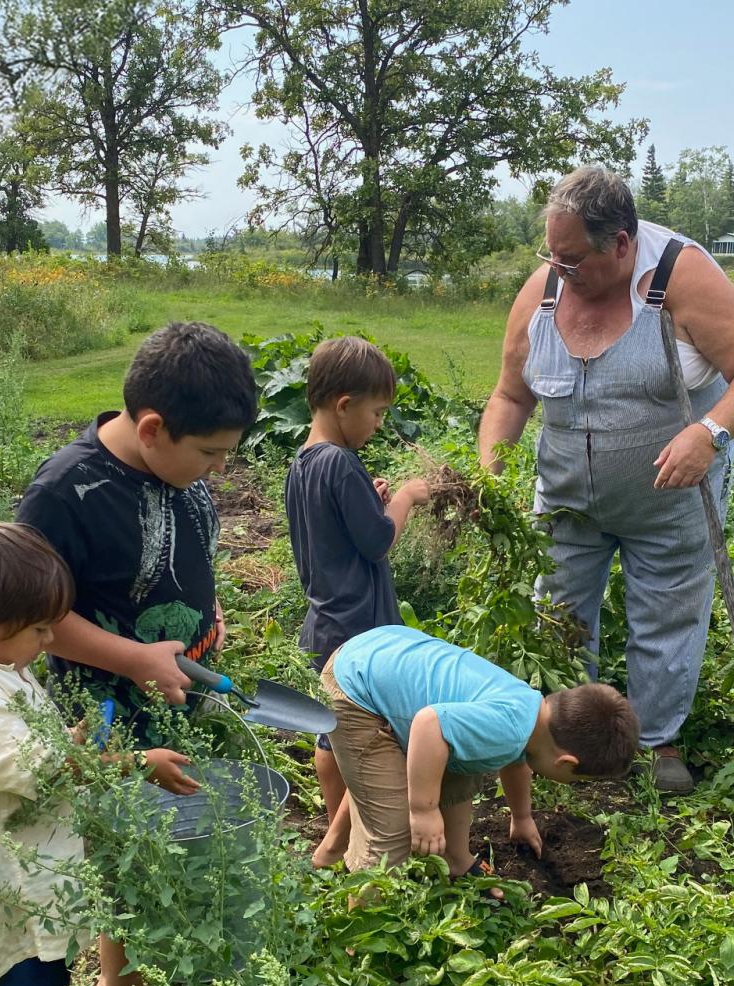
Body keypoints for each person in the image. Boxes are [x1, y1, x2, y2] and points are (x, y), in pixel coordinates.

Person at [15, 321, 258, 986]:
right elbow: (30, 616)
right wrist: (132, 659)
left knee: (169, 822)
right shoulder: (66, 491)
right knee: (123, 836)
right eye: (211, 454)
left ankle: (158, 949)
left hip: (173, 687)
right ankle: (117, 979)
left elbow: (187, 550)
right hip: (105, 704)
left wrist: (209, 615)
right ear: (152, 428)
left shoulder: (179, 464)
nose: (220, 468)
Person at [478, 165, 734, 794]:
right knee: (557, 614)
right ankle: (570, 741)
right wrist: (487, 474)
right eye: (552, 256)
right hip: (565, 503)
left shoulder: (683, 276)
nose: (558, 271)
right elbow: (510, 397)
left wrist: (709, 433)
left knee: (668, 615)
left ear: (621, 242)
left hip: (669, 502)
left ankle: (654, 743)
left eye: (572, 260)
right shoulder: (542, 293)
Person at [0, 523, 197, 986]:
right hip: (6, 882)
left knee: (46, 975)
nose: (50, 637)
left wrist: (69, 739)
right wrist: (136, 761)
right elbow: (40, 769)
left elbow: (13, 751)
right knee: (20, 984)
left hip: (31, 864)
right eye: (38, 628)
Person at [321, 624, 639, 882]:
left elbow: (515, 765)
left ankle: (453, 859)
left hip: (383, 651)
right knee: (392, 835)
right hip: (358, 690)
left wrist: (522, 817)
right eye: (574, 780)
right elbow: (429, 725)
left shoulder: (529, 716)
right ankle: (363, 935)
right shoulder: (508, 729)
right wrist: (423, 811)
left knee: (461, 766)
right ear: (566, 761)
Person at [284, 336, 431, 865]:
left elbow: (335, 527)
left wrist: (372, 499)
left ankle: (334, 827)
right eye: (376, 412)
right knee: (365, 734)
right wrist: (407, 498)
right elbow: (377, 541)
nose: (378, 424)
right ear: (344, 404)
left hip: (324, 618)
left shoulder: (304, 461)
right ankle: (351, 838)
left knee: (330, 732)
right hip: (358, 627)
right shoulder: (340, 462)